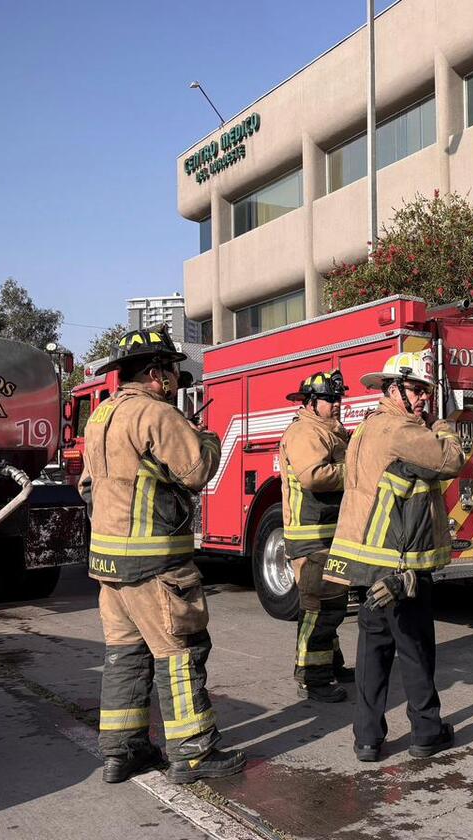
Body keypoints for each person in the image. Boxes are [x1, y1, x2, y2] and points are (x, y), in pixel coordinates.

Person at [79, 327, 245, 785]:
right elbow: (195, 471)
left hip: (109, 564)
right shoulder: (157, 414)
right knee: (180, 652)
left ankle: (122, 751)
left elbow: (88, 484)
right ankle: (193, 753)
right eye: (174, 369)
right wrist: (205, 437)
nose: (177, 377)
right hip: (154, 565)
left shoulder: (101, 417)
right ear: (156, 374)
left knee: (125, 656)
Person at [324, 349, 465, 763]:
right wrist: (444, 425)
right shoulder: (401, 431)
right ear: (393, 389)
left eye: (426, 391)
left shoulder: (368, 428)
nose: (422, 399)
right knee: (417, 649)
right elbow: (451, 459)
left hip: (371, 565)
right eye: (416, 390)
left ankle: (367, 738)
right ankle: (426, 731)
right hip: (402, 567)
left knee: (373, 652)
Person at [280, 369, 354, 703]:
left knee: (330, 602)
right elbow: (313, 476)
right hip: (312, 536)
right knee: (320, 608)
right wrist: (354, 471)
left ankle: (330, 664)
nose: (336, 404)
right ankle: (313, 678)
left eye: (338, 398)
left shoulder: (329, 431)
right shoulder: (305, 432)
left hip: (327, 533)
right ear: (311, 403)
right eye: (329, 399)